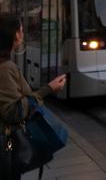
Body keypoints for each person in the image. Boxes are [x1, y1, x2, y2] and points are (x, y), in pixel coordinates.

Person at [0, 15, 66, 179]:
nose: (22, 34)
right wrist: (49, 89)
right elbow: (12, 112)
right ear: (16, 35)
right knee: (10, 170)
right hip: (6, 144)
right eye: (22, 30)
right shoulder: (5, 68)